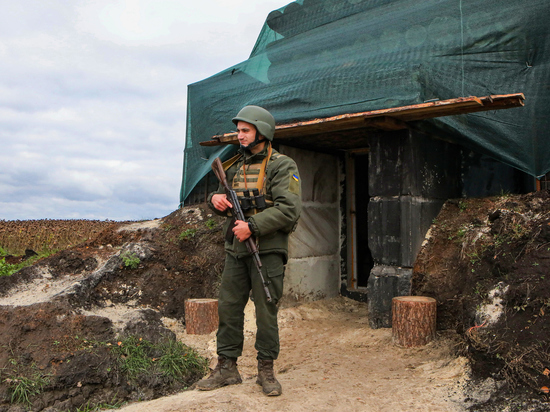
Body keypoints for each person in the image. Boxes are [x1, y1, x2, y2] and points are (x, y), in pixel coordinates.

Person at [196, 105, 302, 396]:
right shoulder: (234, 166)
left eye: (245, 130)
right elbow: (224, 199)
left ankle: (266, 371)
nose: (239, 135)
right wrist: (215, 201)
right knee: (229, 307)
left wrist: (252, 226)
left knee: (266, 310)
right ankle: (226, 368)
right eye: (239, 130)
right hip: (235, 248)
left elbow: (289, 209)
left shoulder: (282, 165)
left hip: (267, 249)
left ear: (261, 132)